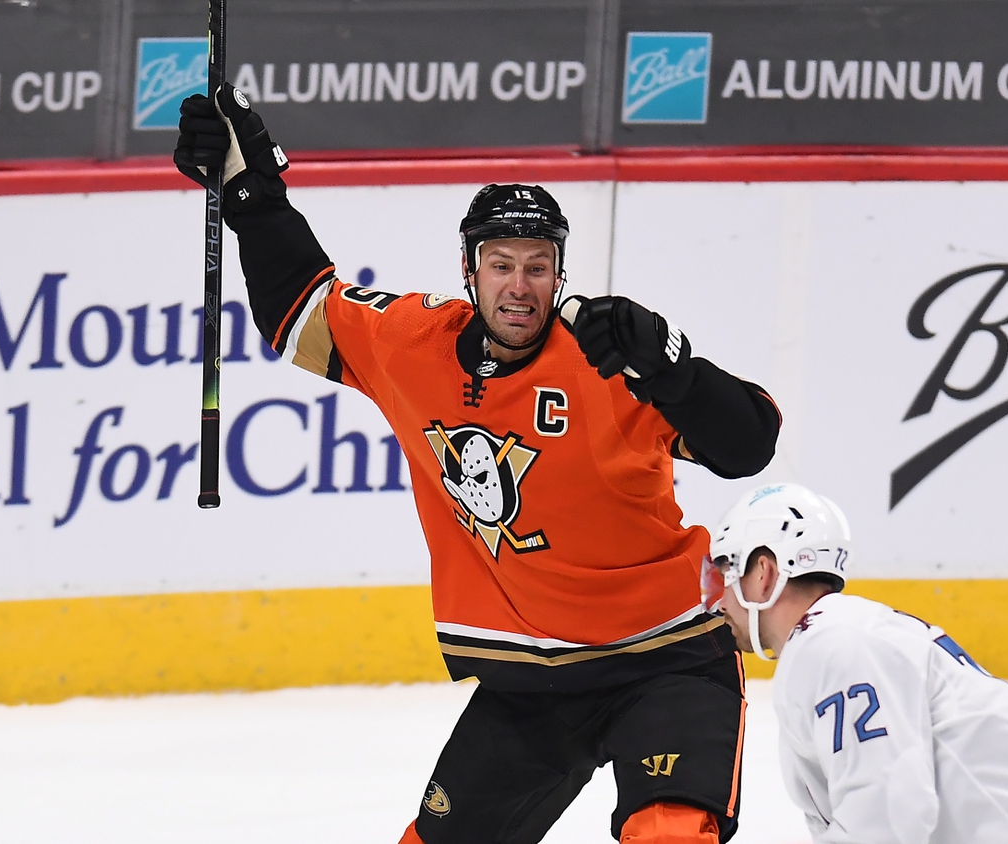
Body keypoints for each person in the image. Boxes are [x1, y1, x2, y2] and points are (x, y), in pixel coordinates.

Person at [174, 85, 782, 844]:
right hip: (528, 682)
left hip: (664, 659)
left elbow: (749, 443)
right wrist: (249, 192)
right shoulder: (411, 342)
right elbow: (301, 305)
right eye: (502, 264)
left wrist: (670, 364)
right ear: (470, 269)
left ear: (560, 273)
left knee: (668, 835)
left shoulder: (609, 354)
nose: (519, 286)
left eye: (537, 265)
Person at [704, 482, 1008, 844]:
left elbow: (885, 821)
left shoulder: (834, 645)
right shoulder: (840, 635)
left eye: (725, 573)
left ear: (765, 572)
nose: (719, 602)